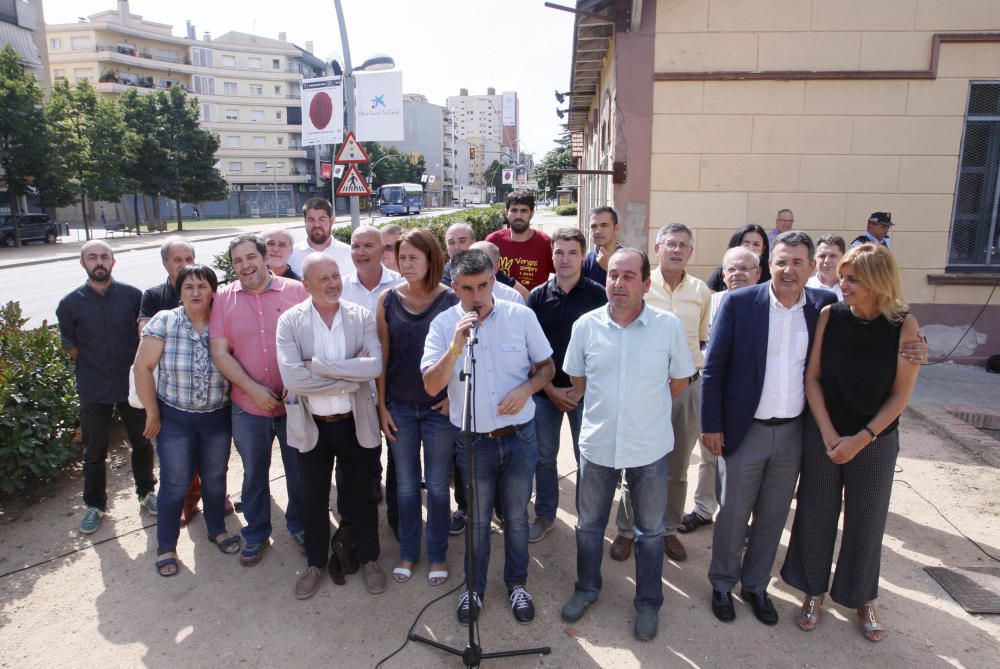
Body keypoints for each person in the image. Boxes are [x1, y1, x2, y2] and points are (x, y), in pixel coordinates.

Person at [781, 243, 920, 642]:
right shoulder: (831, 315)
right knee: (815, 512)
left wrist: (862, 438)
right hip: (825, 432)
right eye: (842, 276)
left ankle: (862, 597)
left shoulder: (905, 326)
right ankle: (812, 592)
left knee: (867, 520)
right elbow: (813, 377)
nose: (842, 284)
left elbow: (900, 395)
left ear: (878, 281)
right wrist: (827, 433)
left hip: (875, 439)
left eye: (852, 278)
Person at [701, 231, 837, 626]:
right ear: (767, 267)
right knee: (733, 513)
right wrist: (712, 424)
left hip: (794, 430)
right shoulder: (741, 303)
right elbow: (713, 369)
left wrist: (911, 341)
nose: (788, 270)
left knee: (774, 514)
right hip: (745, 429)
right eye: (781, 261)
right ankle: (723, 583)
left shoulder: (824, 306)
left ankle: (756, 585)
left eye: (797, 262)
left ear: (811, 268)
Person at [560, 248, 695, 642]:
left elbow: (680, 380)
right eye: (613, 276)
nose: (618, 283)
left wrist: (645, 410)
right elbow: (578, 382)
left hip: (648, 446)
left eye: (628, 276)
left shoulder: (667, 327)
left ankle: (649, 602)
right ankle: (587, 588)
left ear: (646, 284)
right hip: (598, 444)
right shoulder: (585, 326)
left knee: (650, 532)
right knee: (588, 526)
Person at [422, 249, 555, 626]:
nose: (477, 296)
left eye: (483, 285)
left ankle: (516, 584)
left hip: (519, 437)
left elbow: (547, 367)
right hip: (474, 442)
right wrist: (456, 347)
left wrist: (527, 389)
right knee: (478, 521)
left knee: (515, 517)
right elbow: (431, 384)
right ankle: (473, 589)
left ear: (493, 279)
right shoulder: (443, 325)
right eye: (467, 288)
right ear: (454, 287)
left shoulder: (522, 316)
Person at [276, 253, 386, 599]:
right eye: (323, 278)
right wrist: (347, 375)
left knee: (361, 497)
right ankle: (316, 563)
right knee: (312, 498)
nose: (333, 283)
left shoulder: (361, 316)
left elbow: (374, 367)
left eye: (336, 276)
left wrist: (320, 367)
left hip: (355, 423)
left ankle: (368, 559)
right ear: (305, 285)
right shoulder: (290, 322)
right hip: (313, 427)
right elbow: (293, 379)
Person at [611, 224, 710, 564]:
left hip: (686, 388)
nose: (677, 250)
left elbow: (698, 339)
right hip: (645, 388)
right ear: (657, 248)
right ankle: (626, 530)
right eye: (671, 244)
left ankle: (668, 529)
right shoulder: (640, 283)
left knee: (677, 464)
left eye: (684, 245)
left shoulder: (701, 290)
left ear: (691, 252)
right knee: (635, 461)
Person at [210, 235, 309, 567]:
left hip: (294, 403)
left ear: (266, 257)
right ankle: (256, 532)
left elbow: (311, 342)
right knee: (254, 473)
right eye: (237, 261)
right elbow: (220, 352)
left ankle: (300, 526)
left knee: (299, 471)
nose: (245, 265)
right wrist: (252, 389)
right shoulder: (223, 299)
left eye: (251, 257)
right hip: (249, 406)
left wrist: (296, 385)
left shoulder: (295, 291)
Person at [133, 264, 236, 577]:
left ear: (213, 291)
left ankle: (216, 528)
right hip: (176, 420)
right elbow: (142, 367)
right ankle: (166, 545)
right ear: (179, 291)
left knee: (216, 477)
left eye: (202, 286)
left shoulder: (224, 322)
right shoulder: (165, 321)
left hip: (217, 417)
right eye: (188, 286)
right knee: (175, 482)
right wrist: (152, 411)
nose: (195, 292)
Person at [375, 229, 459, 586]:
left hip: (438, 410)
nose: (406, 264)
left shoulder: (453, 300)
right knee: (407, 487)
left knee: (439, 487)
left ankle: (437, 553)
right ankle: (409, 552)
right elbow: (382, 358)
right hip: (401, 408)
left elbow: (464, 355)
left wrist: (453, 397)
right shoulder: (387, 300)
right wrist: (381, 407)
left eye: (413, 257)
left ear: (431, 259)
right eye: (402, 257)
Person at [57, 241, 157, 534]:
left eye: (104, 257)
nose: (98, 262)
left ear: (113, 262)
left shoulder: (132, 296)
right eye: (92, 258)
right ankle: (95, 505)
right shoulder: (69, 303)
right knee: (94, 449)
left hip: (130, 384)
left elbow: (144, 339)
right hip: (93, 387)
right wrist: (97, 366)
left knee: (141, 441)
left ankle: (147, 493)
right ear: (82, 263)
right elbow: (71, 346)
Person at [526, 227, 607, 543]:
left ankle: (587, 520)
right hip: (546, 394)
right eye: (558, 252)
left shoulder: (599, 295)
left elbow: (605, 348)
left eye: (572, 252)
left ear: (583, 255)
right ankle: (545, 515)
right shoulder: (538, 296)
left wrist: (581, 389)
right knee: (544, 458)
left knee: (586, 459)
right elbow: (528, 349)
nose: (564, 259)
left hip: (585, 394)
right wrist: (547, 388)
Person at [681, 246, 761, 535]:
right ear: (724, 274)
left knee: (747, 460)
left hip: (750, 396)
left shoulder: (767, 304)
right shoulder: (711, 301)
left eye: (745, 269)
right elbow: (700, 341)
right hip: (710, 386)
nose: (738, 274)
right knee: (708, 453)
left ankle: (744, 520)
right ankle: (704, 509)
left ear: (758, 273)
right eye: (732, 269)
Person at [138, 237, 209, 526]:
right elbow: (144, 329)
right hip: (173, 386)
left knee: (213, 453)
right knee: (181, 457)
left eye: (188, 259)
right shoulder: (155, 295)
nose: (184, 265)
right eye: (177, 260)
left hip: (207, 387)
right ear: (165, 263)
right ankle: (189, 500)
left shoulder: (205, 288)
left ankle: (216, 494)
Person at [485, 190, 554, 292]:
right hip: (498, 306)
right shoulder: (492, 242)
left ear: (532, 213)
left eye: (524, 211)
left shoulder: (546, 243)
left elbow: (564, 274)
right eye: (514, 210)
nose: (518, 216)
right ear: (506, 212)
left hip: (533, 306)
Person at [443, 222, 528, 300]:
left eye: (462, 241)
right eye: (451, 242)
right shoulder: (439, 277)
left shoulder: (488, 270)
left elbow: (525, 295)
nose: (456, 247)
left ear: (473, 243)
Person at [288, 198, 352, 277]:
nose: (316, 225)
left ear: (331, 220)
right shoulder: (291, 255)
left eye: (321, 219)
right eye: (311, 220)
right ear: (305, 221)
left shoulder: (349, 253)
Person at [706, 224, 771, 292]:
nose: (751, 248)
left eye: (756, 244)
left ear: (763, 249)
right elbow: (710, 293)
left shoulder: (770, 271)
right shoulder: (724, 269)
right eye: (746, 244)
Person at [582, 206, 623, 285]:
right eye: (594, 226)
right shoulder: (586, 261)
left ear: (616, 228)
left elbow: (633, 294)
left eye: (604, 225)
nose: (598, 231)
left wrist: (609, 267)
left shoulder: (631, 259)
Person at [807, 234, 846, 300]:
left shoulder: (851, 289)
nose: (827, 261)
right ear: (815, 259)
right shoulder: (804, 287)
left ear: (843, 258)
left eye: (833, 256)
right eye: (822, 256)